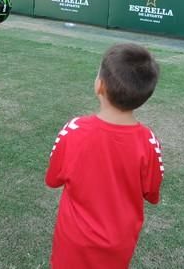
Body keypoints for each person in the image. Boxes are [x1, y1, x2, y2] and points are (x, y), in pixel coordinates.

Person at [46, 43, 163, 269]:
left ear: (99, 85)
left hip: (73, 243)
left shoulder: (74, 130)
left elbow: (53, 179)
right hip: (119, 244)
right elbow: (151, 192)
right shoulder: (149, 142)